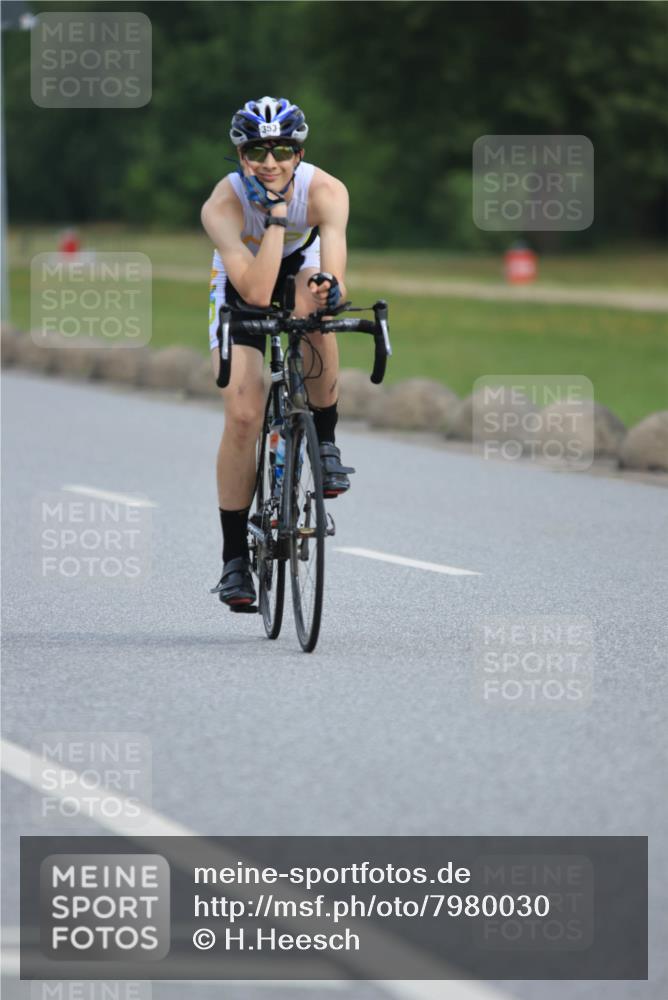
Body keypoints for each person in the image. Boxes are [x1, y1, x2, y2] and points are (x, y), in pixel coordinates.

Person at [201, 96, 355, 609]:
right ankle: (234, 561)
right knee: (244, 415)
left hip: (300, 267)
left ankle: (326, 442)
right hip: (243, 281)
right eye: (258, 150)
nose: (271, 162)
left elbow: (332, 269)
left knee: (315, 296)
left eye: (283, 150)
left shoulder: (328, 190)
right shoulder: (221, 206)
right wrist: (273, 217)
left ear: (299, 152)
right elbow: (256, 293)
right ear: (241, 155)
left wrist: (330, 294)